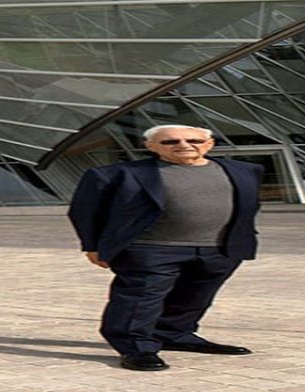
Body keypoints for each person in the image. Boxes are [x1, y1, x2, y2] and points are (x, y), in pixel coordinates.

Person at [68, 125, 264, 371]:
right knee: (141, 299)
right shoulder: (116, 174)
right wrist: (92, 245)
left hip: (220, 248)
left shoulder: (244, 170)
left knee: (194, 297)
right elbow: (84, 211)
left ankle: (174, 334)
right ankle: (135, 346)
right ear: (150, 146)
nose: (184, 145)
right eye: (170, 142)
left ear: (209, 144)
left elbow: (249, 204)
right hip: (150, 249)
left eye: (193, 140)